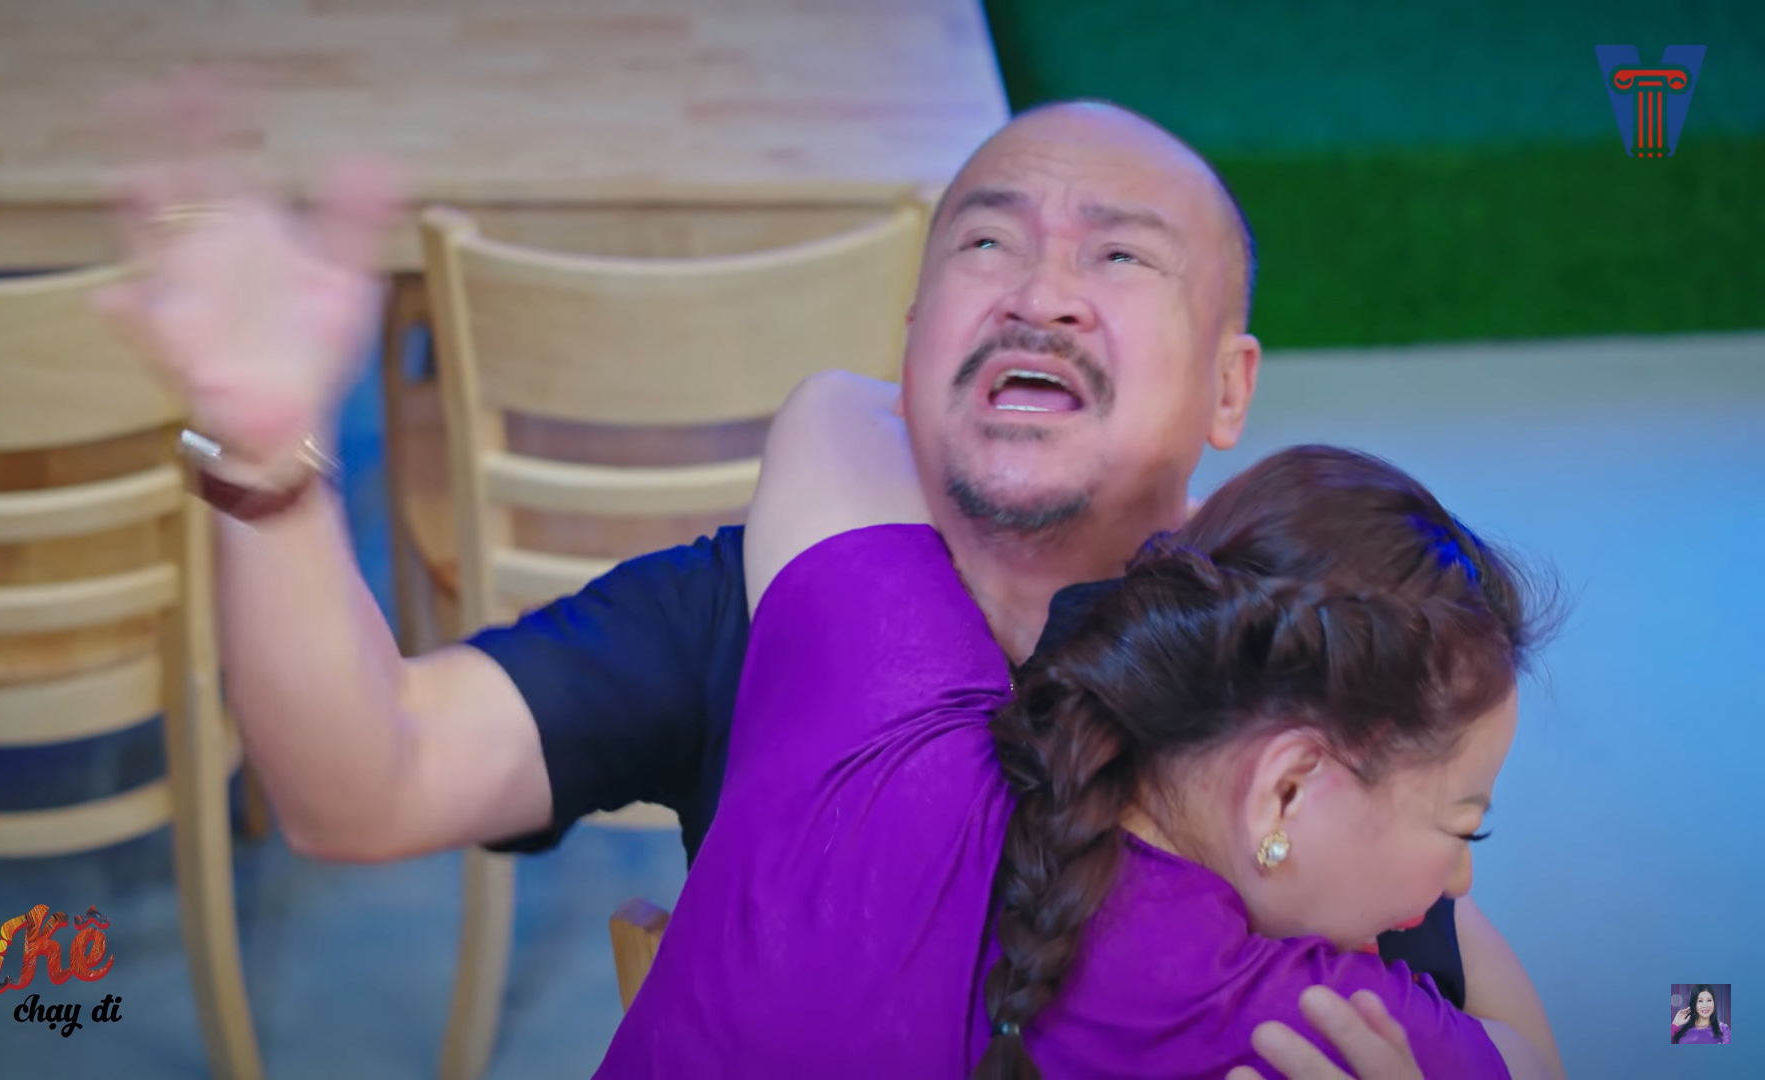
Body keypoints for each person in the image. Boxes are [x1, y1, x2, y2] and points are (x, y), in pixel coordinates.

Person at [95, 78, 1553, 1072]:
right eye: (989, 241)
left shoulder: (1286, 688)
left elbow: (1466, 966)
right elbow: (363, 784)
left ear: (1232, 387)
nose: (1042, 289)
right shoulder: (749, 606)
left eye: (1121, 258)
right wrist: (265, 472)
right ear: (913, 340)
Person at [594, 368, 1564, 1078]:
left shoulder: (896, 708)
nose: (1459, 881)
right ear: (1285, 789)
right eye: (1462, 827)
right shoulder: (1314, 1029)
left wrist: (1101, 540)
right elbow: (1533, 1059)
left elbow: (837, 408)